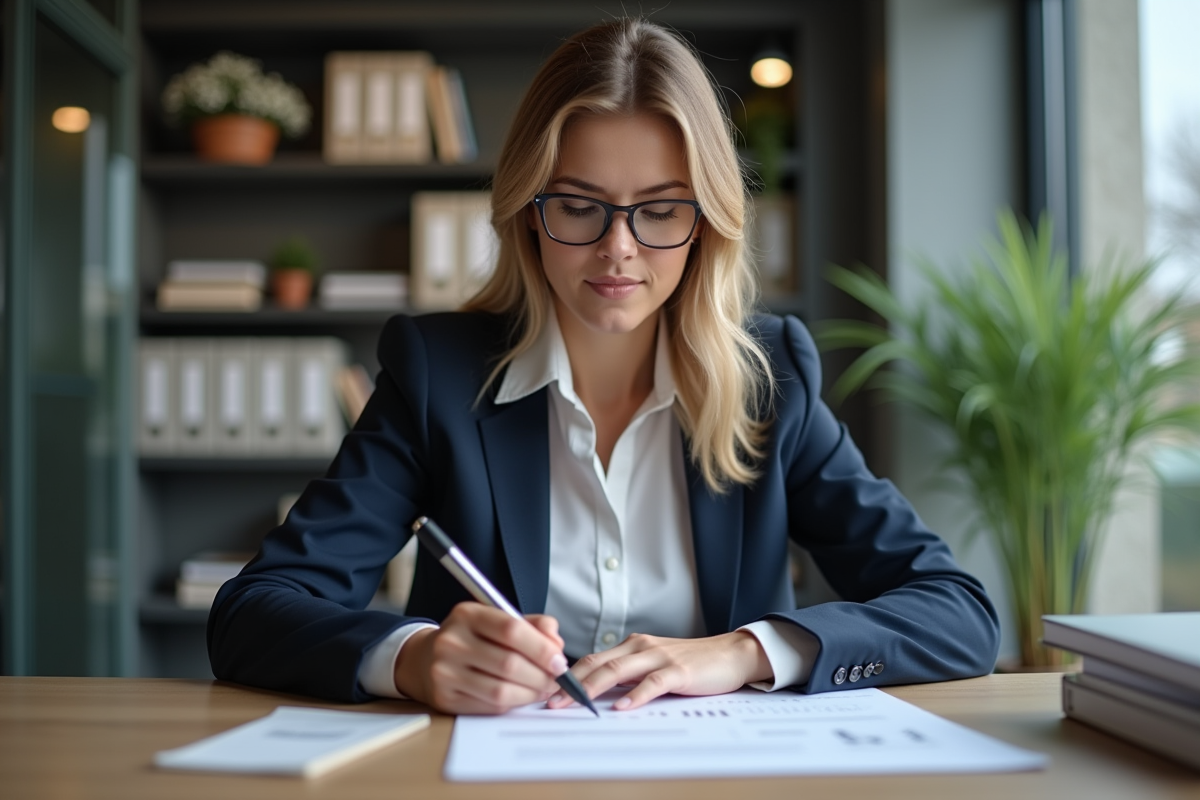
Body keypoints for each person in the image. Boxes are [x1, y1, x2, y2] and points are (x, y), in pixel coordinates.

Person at [208, 18, 1000, 714]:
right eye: (580, 206)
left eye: (660, 210)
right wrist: (413, 659)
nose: (618, 248)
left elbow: (958, 612)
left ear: (706, 227)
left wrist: (744, 652)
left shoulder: (772, 383)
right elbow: (254, 611)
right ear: (528, 213)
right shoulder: (437, 376)